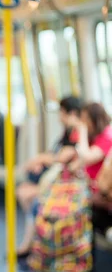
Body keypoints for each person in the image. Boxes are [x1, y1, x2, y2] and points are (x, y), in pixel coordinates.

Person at [15, 96, 82, 259]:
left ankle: (32, 243)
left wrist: (41, 159)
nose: (59, 117)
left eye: (62, 112)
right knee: (24, 193)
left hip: (66, 185)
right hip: (56, 179)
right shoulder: (67, 133)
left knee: (28, 197)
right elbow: (56, 154)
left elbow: (63, 157)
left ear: (71, 114)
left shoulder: (78, 135)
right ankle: (33, 241)